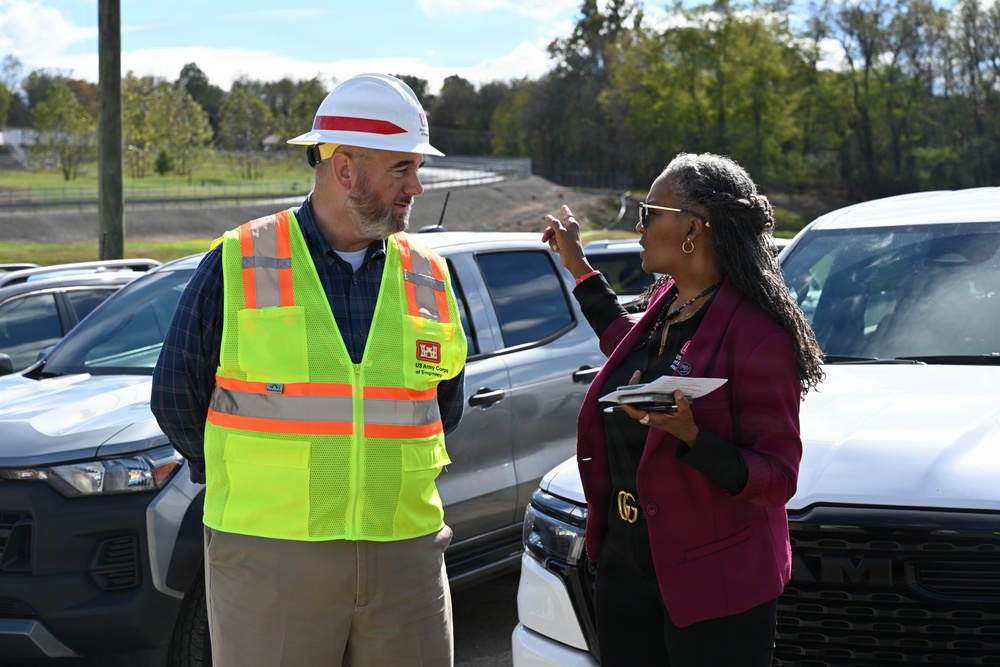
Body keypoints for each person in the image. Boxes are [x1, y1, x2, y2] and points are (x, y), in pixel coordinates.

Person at [151, 73, 467, 667]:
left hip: (405, 554)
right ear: (346, 169)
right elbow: (175, 397)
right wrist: (253, 481)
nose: (417, 187)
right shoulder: (241, 260)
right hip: (271, 559)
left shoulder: (428, 273)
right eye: (402, 168)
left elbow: (443, 407)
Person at [542, 152, 824, 667]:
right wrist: (578, 265)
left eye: (649, 212)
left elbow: (778, 477)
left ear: (692, 229)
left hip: (713, 587)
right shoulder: (668, 305)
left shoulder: (759, 336)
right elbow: (625, 343)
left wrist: (694, 437)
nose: (639, 225)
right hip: (628, 568)